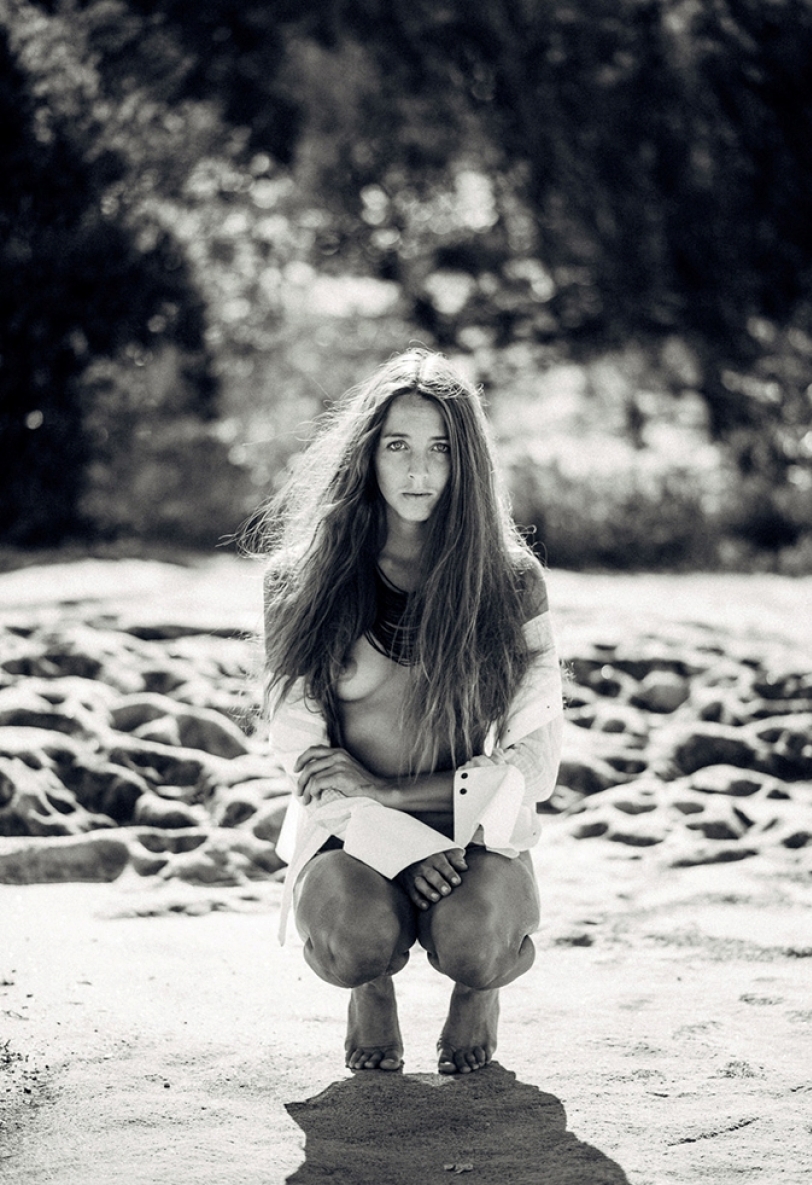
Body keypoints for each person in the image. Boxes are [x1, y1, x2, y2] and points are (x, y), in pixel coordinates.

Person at [261, 347, 563, 1075]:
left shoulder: (511, 582)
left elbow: (535, 756)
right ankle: (370, 984)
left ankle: (474, 990)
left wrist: (398, 797)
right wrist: (390, 832)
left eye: (439, 449)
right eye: (397, 446)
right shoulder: (297, 581)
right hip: (349, 829)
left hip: (472, 827)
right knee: (353, 942)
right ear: (368, 454)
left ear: (466, 463)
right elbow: (301, 750)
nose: (418, 470)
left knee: (478, 945)